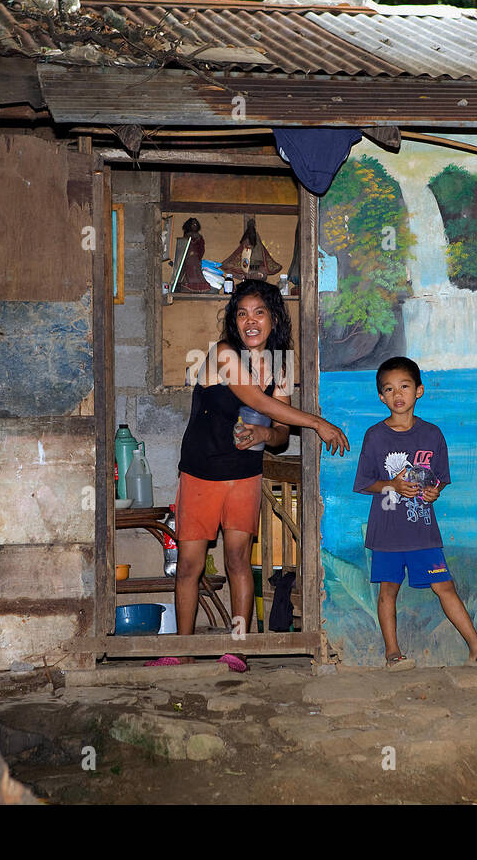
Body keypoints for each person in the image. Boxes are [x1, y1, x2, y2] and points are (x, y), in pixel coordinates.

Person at [147, 279, 350, 669]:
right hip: (201, 474)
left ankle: (237, 649)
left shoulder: (282, 366)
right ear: (234, 322)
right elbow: (256, 400)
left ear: (273, 317)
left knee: (238, 560)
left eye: (259, 312)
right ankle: (180, 651)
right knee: (189, 564)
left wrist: (263, 433)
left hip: (244, 476)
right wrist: (317, 423)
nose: (250, 321)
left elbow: (278, 435)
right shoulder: (223, 354)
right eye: (242, 314)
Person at [352, 356, 477, 671]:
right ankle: (393, 654)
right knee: (388, 590)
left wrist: (435, 492)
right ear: (381, 397)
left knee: (445, 587)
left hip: (423, 531)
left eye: (405, 386)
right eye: (389, 389)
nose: (398, 394)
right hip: (387, 531)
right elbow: (366, 484)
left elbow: (439, 481)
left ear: (419, 391)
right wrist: (392, 485)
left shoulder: (432, 435)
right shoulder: (375, 436)